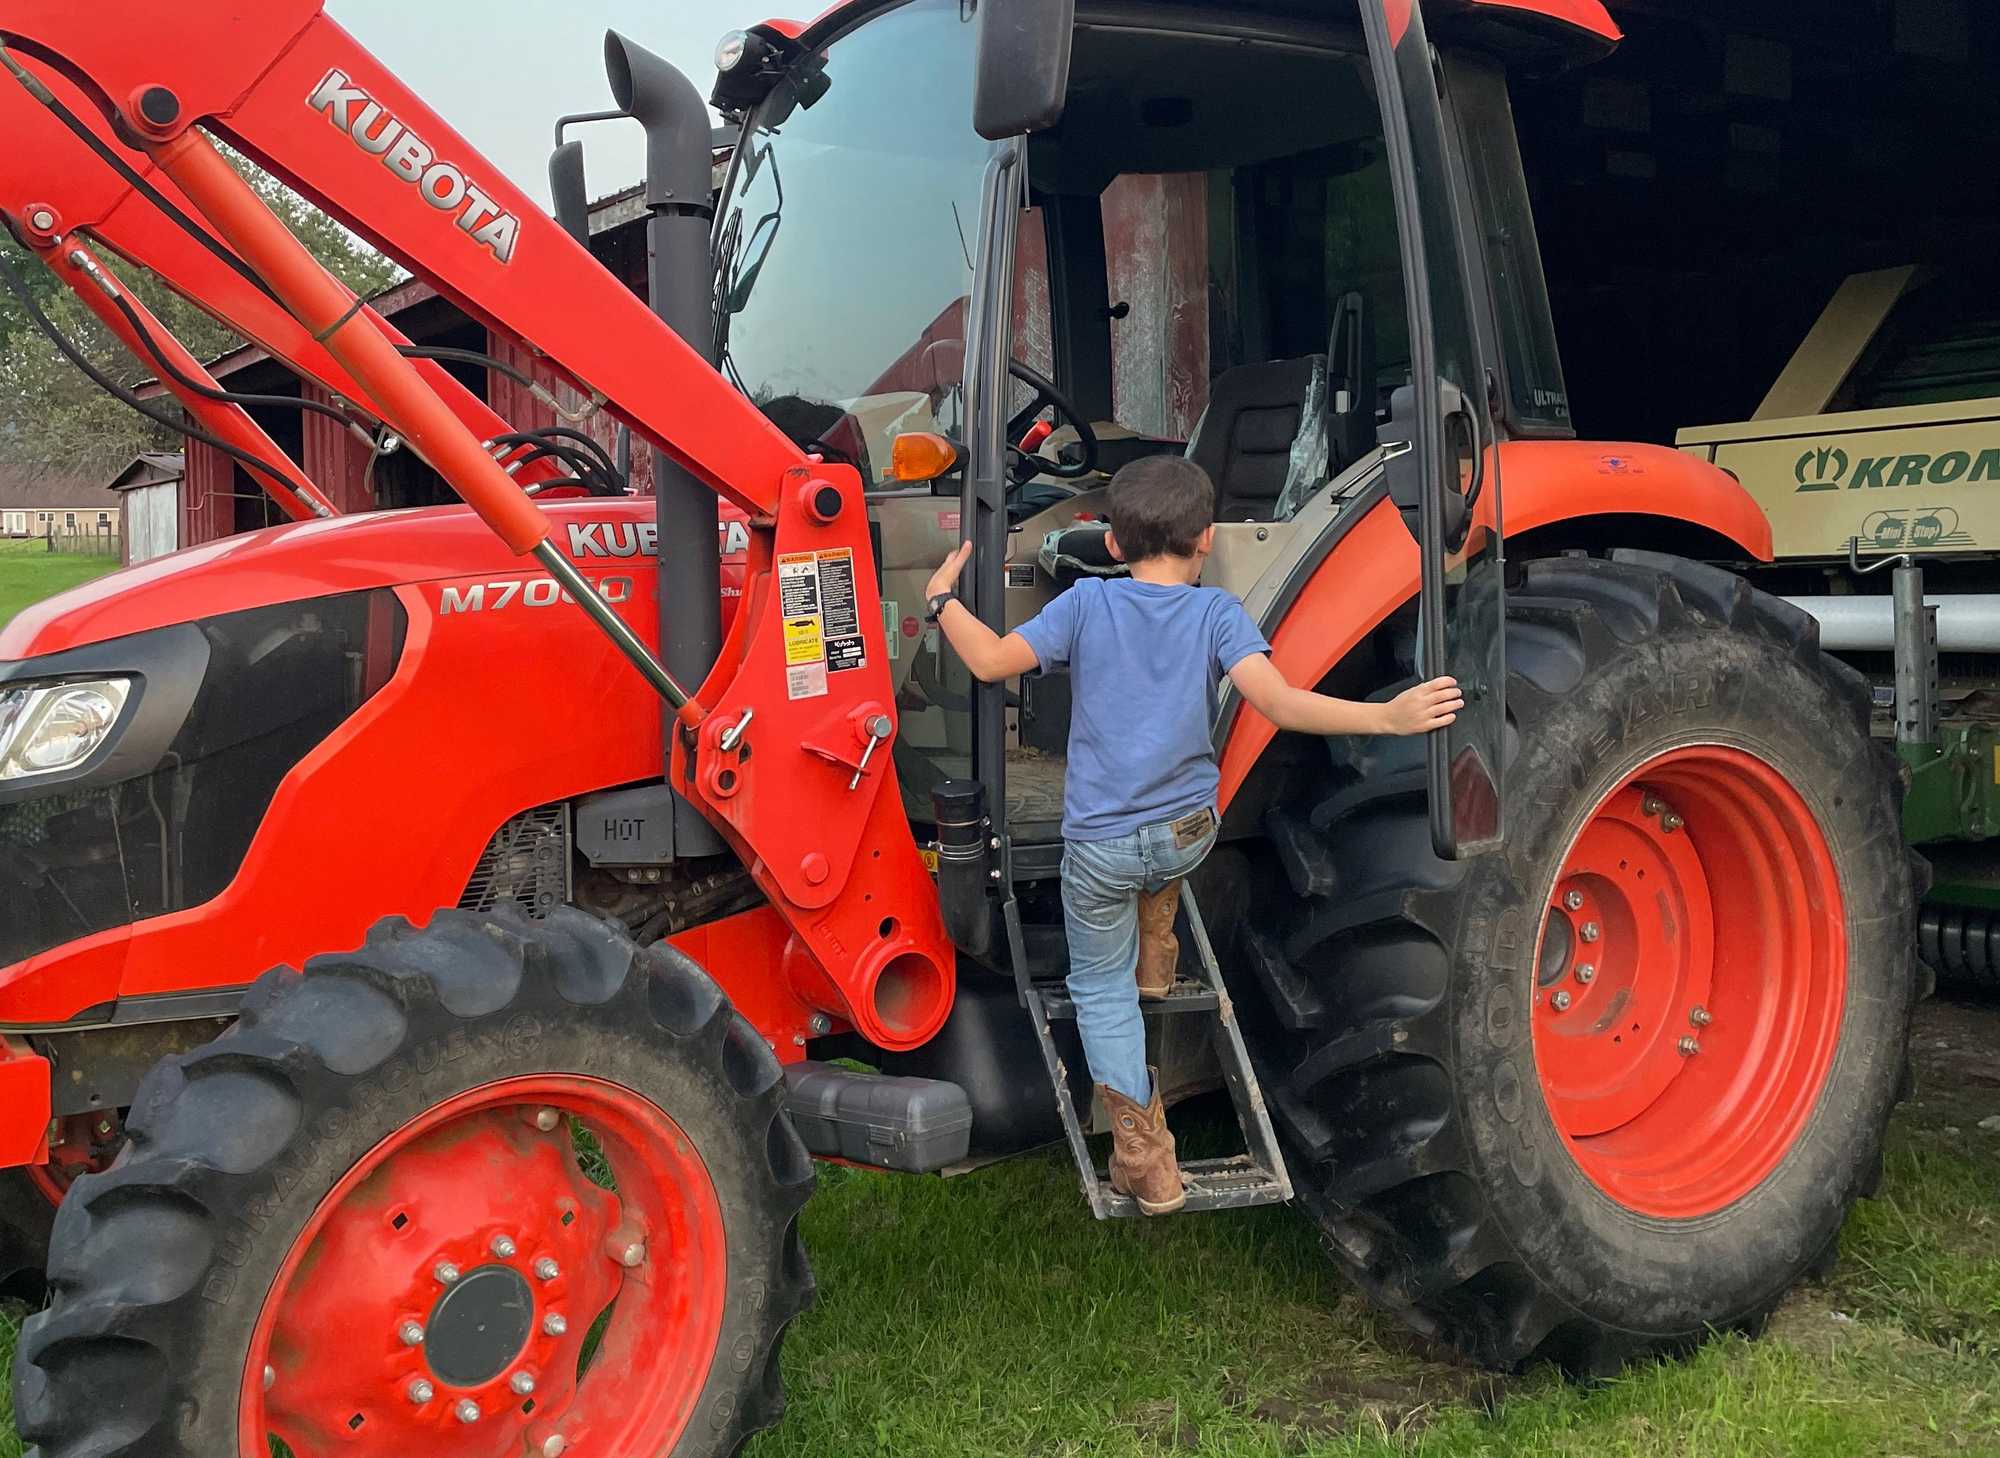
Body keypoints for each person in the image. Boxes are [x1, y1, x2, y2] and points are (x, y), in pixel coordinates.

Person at [924, 455, 1461, 1214]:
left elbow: (987, 661)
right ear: (1206, 539)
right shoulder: (1219, 616)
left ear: (1112, 545)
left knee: (1098, 989)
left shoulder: (1084, 607)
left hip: (1101, 848)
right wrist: (1389, 715)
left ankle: (1145, 1159)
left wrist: (942, 597)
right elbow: (1279, 706)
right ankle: (1160, 944)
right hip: (1185, 833)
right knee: (1173, 839)